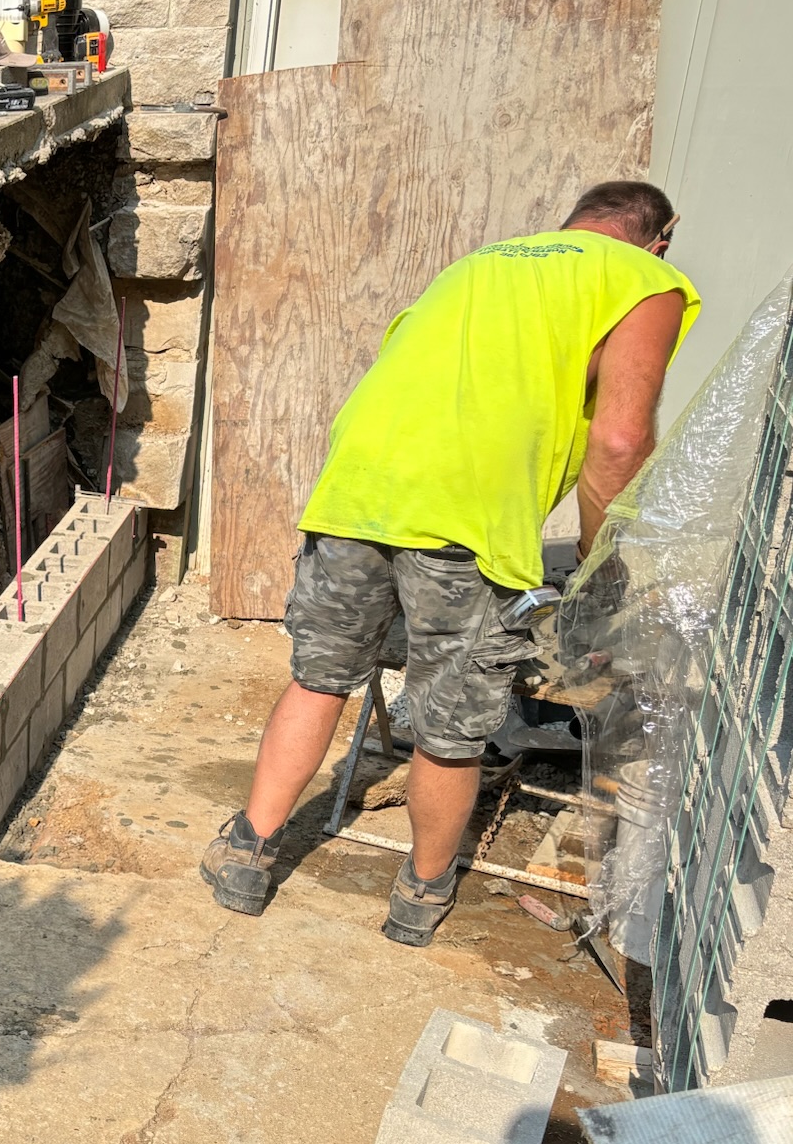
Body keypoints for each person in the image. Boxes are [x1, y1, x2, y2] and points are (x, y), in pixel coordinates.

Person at [202, 181, 700, 945]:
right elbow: (621, 440)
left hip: (356, 491)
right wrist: (602, 563)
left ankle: (247, 851)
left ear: (572, 223)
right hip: (467, 517)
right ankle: (419, 896)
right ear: (658, 239)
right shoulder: (645, 278)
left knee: (320, 677)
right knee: (451, 723)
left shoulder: (481, 263)